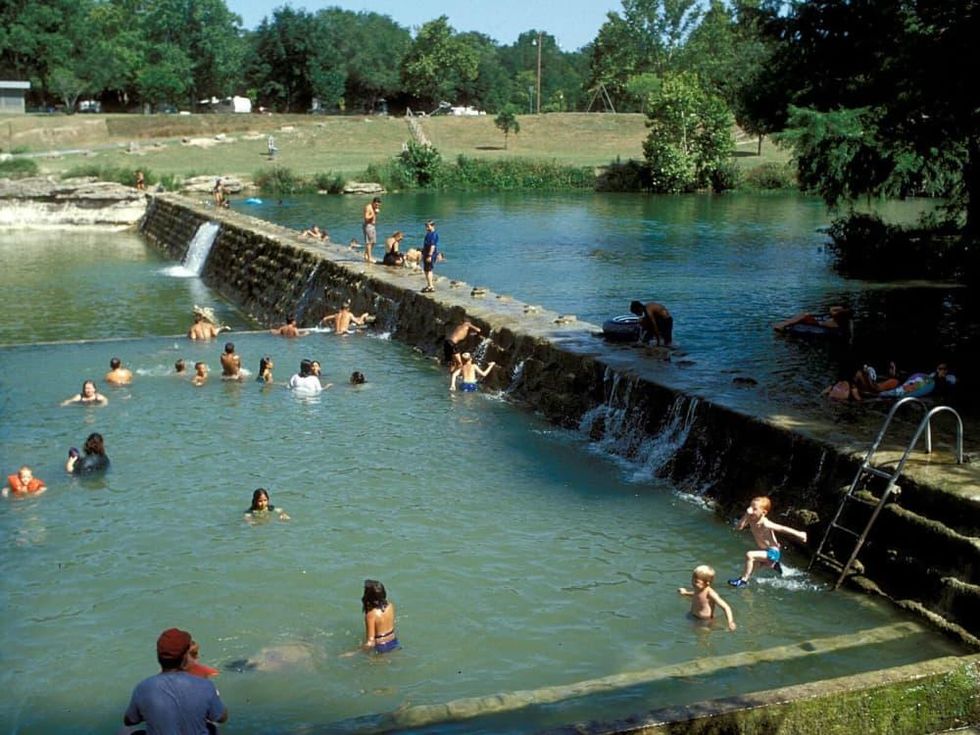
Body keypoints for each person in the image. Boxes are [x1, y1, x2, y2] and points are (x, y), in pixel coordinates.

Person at [123, 628, 228, 733]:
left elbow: (129, 720)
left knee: (126, 730)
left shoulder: (143, 688)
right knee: (212, 726)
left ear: (158, 655)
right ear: (185, 657)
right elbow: (221, 718)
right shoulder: (205, 685)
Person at [728, 496, 808, 587]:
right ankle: (774, 566)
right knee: (752, 567)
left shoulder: (765, 523)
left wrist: (799, 534)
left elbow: (782, 528)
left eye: (754, 509)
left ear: (764, 512)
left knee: (749, 555)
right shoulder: (750, 519)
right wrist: (746, 515)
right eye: (750, 507)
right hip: (765, 551)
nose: (750, 511)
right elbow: (739, 527)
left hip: (773, 552)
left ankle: (743, 581)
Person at [678, 565, 736, 631]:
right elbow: (696, 595)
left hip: (705, 621)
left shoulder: (710, 593)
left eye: (696, 582)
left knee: (703, 636)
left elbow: (726, 607)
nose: (693, 583)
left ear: (707, 583)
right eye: (692, 579)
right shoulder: (698, 589)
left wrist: (730, 622)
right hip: (693, 616)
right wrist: (685, 593)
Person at [359, 579, 399, 654]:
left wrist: (355, 652)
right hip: (394, 641)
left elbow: (370, 642)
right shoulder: (390, 606)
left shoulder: (371, 615)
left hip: (380, 647)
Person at [773, 305, 852, 334]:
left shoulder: (837, 323)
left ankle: (784, 325)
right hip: (820, 323)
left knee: (805, 316)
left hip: (818, 324)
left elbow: (831, 310)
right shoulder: (840, 319)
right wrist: (841, 309)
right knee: (804, 315)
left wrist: (840, 310)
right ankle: (785, 323)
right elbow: (831, 309)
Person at [420, 220, 439, 293]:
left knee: (429, 269)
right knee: (426, 270)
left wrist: (430, 255)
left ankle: (431, 286)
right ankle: (429, 285)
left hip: (430, 254)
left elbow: (433, 246)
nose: (426, 227)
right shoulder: (428, 233)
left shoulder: (433, 235)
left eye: (428, 226)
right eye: (426, 226)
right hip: (426, 253)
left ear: (433, 226)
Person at [363, 197, 381, 263]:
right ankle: (369, 258)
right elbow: (366, 217)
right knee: (369, 242)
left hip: (372, 226)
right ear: (373, 202)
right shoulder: (368, 207)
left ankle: (365, 255)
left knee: (373, 242)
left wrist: (375, 212)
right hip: (368, 226)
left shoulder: (375, 208)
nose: (377, 206)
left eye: (378, 205)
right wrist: (374, 213)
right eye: (376, 204)